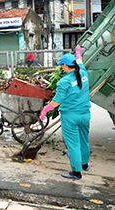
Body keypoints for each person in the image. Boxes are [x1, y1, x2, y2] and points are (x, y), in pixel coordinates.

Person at [40, 45, 91, 180]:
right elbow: (80, 61)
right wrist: (78, 52)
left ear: (65, 66)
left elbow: (57, 101)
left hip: (70, 117)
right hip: (85, 114)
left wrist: (45, 110)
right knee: (83, 140)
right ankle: (85, 164)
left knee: (73, 144)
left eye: (62, 65)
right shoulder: (83, 73)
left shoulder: (64, 81)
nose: (62, 67)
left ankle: (76, 172)